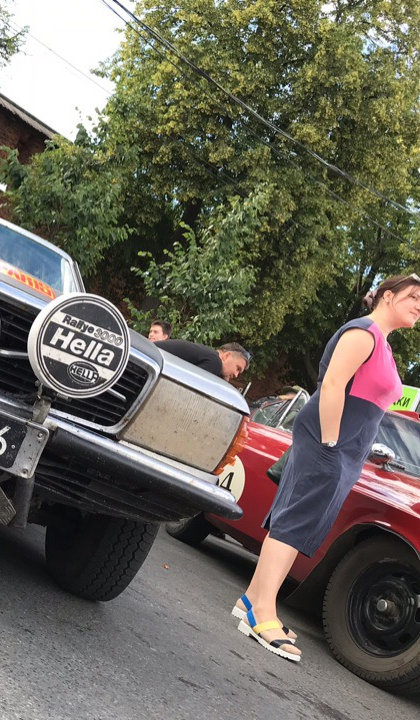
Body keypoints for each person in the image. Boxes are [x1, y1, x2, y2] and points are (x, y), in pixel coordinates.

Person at [233, 274, 420, 663]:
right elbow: (333, 384)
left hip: (346, 450)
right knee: (295, 522)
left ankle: (251, 599)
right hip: (329, 442)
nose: (419, 305)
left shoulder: (383, 344)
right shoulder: (364, 333)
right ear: (388, 296)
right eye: (414, 296)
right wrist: (331, 442)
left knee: (299, 523)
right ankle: (261, 613)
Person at [154, 339, 250, 382]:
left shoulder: (209, 355)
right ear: (227, 356)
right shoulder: (215, 362)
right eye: (238, 368)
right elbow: (191, 387)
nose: (236, 375)